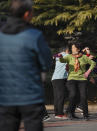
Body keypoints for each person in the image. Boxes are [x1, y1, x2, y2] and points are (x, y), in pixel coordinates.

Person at [0, 0, 52, 130]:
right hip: (30, 95)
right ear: (27, 14)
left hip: (5, 96)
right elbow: (46, 63)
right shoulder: (34, 35)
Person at [58, 43, 96, 121]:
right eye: (71, 48)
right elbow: (62, 60)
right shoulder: (69, 56)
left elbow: (93, 63)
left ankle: (86, 115)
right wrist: (60, 57)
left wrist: (88, 72)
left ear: (78, 49)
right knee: (73, 94)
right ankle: (69, 112)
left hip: (82, 79)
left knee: (83, 96)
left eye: (73, 48)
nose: (72, 49)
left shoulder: (84, 57)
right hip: (71, 79)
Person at [51, 47, 70, 119]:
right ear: (66, 50)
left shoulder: (58, 56)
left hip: (55, 78)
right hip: (60, 78)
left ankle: (57, 113)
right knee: (61, 96)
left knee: (56, 97)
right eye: (69, 50)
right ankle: (60, 114)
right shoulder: (65, 55)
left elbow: (54, 56)